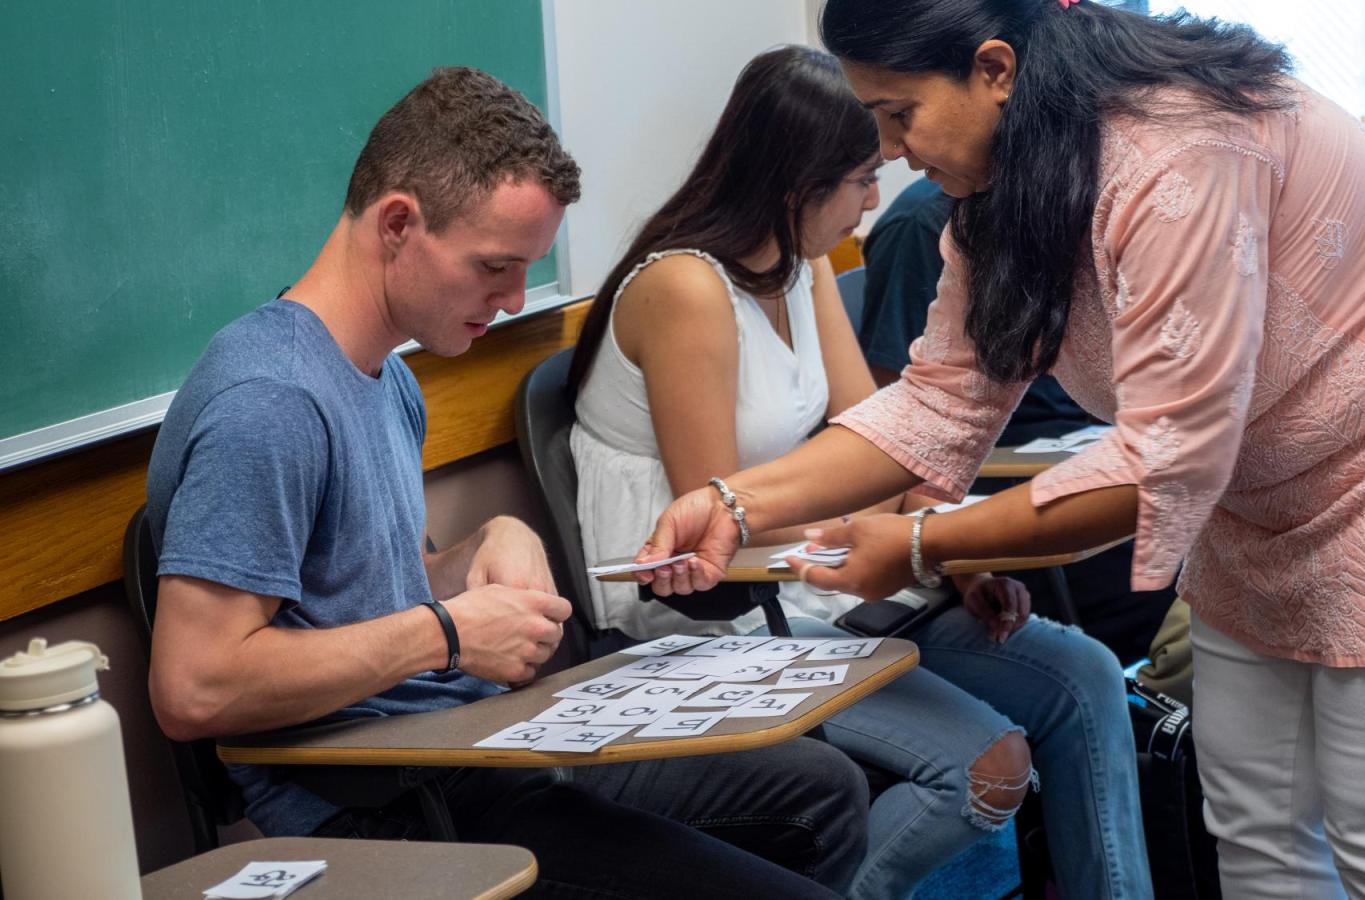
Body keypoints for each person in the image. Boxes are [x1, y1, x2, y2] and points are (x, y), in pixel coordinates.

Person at [634, 2, 1365, 899]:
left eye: (899, 113)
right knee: (1256, 826)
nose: (889, 151)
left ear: (995, 69)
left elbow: (1161, 463)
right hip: (1258, 495)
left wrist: (930, 546)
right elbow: (938, 404)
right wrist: (736, 500)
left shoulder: (1179, 151)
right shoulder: (1000, 189)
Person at [143, 66, 866, 899]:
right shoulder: (269, 402)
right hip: (379, 806)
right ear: (399, 224)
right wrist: (447, 634)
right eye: (494, 266)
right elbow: (194, 688)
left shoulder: (383, 376)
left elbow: (370, 592)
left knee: (821, 791)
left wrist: (492, 542)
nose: (516, 297)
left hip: (463, 745)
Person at [567, 46, 1150, 900]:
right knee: (987, 767)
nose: (875, 200)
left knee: (1083, 675)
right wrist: (917, 542)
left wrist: (947, 552)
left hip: (813, 585)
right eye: (860, 179)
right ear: (795, 185)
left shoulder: (800, 266)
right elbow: (723, 524)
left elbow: (881, 436)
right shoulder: (685, 290)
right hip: (708, 621)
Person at [862, 173, 1175, 663]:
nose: (894, 153)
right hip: (1001, 479)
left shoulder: (1078, 197)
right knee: (1165, 568)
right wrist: (950, 553)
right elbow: (904, 423)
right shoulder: (924, 223)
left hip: (1088, 451)